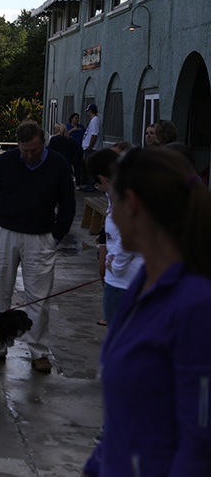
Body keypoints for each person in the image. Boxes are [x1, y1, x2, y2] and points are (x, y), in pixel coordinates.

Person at [82, 147, 211, 477]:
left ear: (132, 205)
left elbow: (200, 446)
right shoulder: (142, 284)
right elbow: (124, 420)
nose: (110, 215)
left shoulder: (196, 306)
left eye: (113, 204)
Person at [0, 121, 76, 374]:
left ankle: (39, 353)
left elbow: (67, 203)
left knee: (39, 299)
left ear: (43, 142)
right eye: (25, 151)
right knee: (0, 294)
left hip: (41, 236)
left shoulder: (58, 164)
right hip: (4, 233)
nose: (29, 155)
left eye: (34, 150)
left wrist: (56, 236)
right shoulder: (7, 160)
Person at [86, 149, 144, 326]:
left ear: (103, 179)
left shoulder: (125, 198)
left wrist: (117, 265)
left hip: (123, 283)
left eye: (98, 185)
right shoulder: (128, 193)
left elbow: (132, 233)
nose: (100, 189)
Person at [79, 104, 103, 191]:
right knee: (89, 167)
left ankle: (91, 185)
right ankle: (89, 184)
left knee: (91, 167)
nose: (87, 113)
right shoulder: (94, 120)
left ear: (90, 111)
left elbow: (94, 134)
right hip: (90, 148)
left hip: (92, 149)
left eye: (88, 111)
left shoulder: (95, 120)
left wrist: (90, 146)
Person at [66, 113, 86, 184]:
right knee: (68, 163)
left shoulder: (81, 127)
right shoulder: (67, 126)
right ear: (72, 119)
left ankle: (78, 182)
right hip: (69, 148)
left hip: (78, 148)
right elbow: (64, 134)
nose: (77, 120)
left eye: (78, 118)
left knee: (77, 165)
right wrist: (72, 130)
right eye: (75, 118)